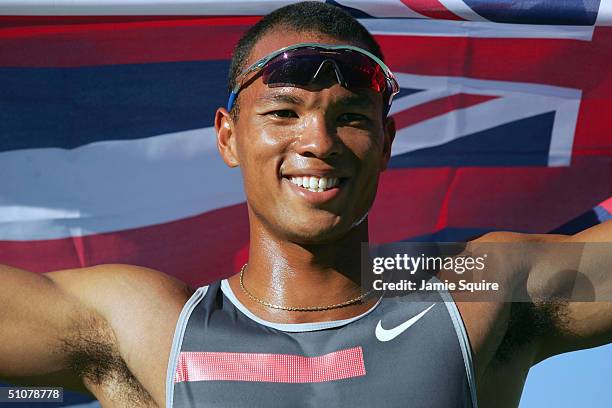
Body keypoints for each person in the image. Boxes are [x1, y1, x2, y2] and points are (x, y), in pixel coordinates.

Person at [1, 2, 610, 407]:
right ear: (228, 137)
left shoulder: (465, 293)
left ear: (386, 142)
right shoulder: (153, 328)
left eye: (349, 117)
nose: (317, 142)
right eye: (283, 113)